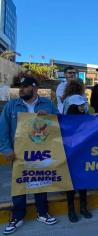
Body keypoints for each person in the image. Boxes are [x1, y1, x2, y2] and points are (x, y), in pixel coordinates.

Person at [0, 77, 58, 235]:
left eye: (25, 87)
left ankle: (42, 213)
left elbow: (60, 122)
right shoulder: (12, 105)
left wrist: (50, 117)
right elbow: (3, 128)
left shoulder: (47, 104)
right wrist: (5, 149)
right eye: (20, 87)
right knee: (20, 184)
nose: (21, 89)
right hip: (19, 153)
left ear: (35, 88)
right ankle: (17, 217)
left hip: (42, 151)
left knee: (40, 180)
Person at [62, 95, 92, 222]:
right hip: (70, 155)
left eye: (83, 104)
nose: (82, 107)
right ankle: (71, 210)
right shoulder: (64, 120)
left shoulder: (87, 118)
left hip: (83, 154)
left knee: (83, 182)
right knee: (71, 185)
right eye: (79, 105)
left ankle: (83, 208)